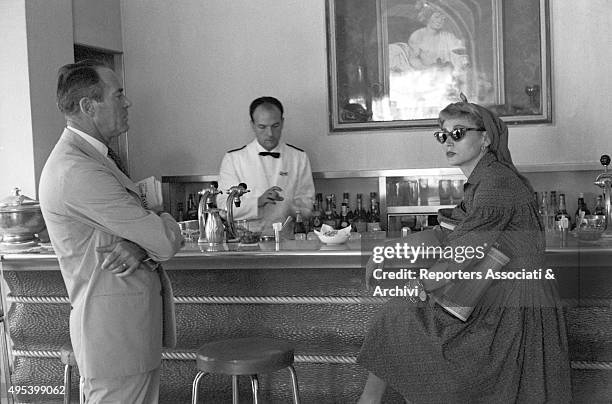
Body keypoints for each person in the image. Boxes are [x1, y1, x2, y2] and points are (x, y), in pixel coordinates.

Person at [357, 95, 571, 403]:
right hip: (497, 297)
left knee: (403, 319)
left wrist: (420, 283)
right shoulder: (483, 179)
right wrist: (388, 252)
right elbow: (448, 233)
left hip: (515, 308)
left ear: (485, 138)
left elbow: (463, 253)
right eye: (443, 134)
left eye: (458, 133)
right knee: (400, 317)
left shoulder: (496, 183)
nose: (448, 140)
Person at [39, 60, 183, 403]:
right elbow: (163, 237)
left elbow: (145, 231)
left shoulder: (97, 159)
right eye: (118, 94)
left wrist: (139, 245)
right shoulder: (77, 171)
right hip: (115, 340)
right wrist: (155, 230)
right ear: (89, 106)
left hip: (128, 336)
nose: (127, 102)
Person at [217, 96, 315, 230]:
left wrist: (288, 207)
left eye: (275, 126)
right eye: (262, 127)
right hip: (245, 240)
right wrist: (257, 202)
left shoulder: (299, 157)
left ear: (283, 122)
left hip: (288, 239)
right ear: (252, 125)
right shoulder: (234, 159)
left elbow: (307, 206)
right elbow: (223, 207)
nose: (270, 133)